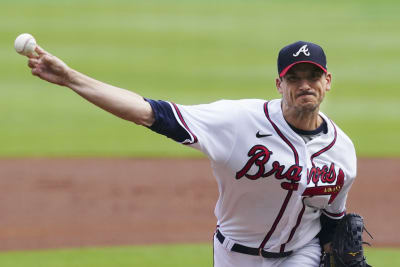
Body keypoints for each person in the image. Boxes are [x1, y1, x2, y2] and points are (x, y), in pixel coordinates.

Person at [27, 41, 357, 267]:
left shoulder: (341, 151)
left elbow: (331, 219)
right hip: (234, 255)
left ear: (327, 81)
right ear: (278, 84)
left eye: (313, 76)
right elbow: (148, 112)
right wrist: (71, 78)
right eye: (293, 78)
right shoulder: (237, 121)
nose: (305, 85)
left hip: (300, 254)